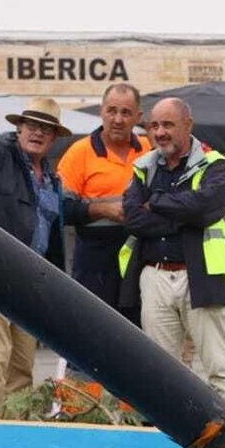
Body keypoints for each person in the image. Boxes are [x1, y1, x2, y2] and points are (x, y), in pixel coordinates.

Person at [0, 97, 87, 419]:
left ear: (53, 138)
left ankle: (15, 435)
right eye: (32, 126)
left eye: (46, 129)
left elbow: (53, 233)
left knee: (22, 367)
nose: (38, 133)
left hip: (28, 283)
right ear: (19, 129)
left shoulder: (52, 179)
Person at [120, 97, 225, 416]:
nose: (160, 132)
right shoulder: (144, 166)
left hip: (200, 276)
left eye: (168, 125)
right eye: (154, 125)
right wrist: (183, 212)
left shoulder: (214, 163)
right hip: (155, 277)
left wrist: (158, 201)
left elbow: (208, 207)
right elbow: (133, 217)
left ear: (188, 125)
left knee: (219, 367)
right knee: (162, 373)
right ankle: (173, 445)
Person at [56, 83, 151, 324]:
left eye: (126, 112)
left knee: (138, 340)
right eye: (112, 110)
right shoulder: (79, 153)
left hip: (141, 262)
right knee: (93, 334)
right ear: (101, 111)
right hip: (94, 266)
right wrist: (102, 209)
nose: (118, 119)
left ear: (138, 117)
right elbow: (60, 210)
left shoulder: (150, 150)